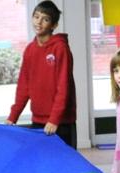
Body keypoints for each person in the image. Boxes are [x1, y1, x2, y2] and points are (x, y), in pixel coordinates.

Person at [7, 1, 77, 148]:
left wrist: (54, 119)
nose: (38, 22)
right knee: (44, 166)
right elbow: (23, 87)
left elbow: (63, 86)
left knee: (64, 167)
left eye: (45, 19)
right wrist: (13, 116)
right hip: (38, 120)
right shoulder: (30, 50)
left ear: (53, 25)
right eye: (36, 17)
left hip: (60, 122)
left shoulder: (60, 49)